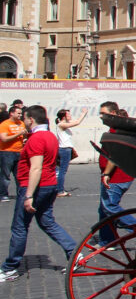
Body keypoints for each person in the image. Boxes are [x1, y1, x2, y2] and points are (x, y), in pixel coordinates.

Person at [0, 105, 77, 282]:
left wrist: (28, 195)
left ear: (31, 119)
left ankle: (10, 267)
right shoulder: (49, 135)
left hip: (36, 186)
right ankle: (73, 252)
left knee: (20, 226)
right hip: (50, 185)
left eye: (25, 119)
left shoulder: (36, 139)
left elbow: (35, 168)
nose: (23, 122)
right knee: (47, 222)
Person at [97, 101, 136, 246]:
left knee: (109, 206)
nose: (100, 116)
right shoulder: (114, 129)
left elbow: (114, 156)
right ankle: (108, 240)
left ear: (113, 113)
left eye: (103, 113)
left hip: (117, 177)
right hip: (114, 176)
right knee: (104, 209)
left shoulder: (117, 131)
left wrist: (106, 173)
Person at [54, 108, 87, 197]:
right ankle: (60, 190)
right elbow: (77, 122)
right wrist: (83, 113)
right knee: (62, 171)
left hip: (65, 149)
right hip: (64, 149)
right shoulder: (61, 124)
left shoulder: (63, 124)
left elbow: (74, 121)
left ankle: (59, 189)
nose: (70, 116)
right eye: (68, 114)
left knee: (61, 171)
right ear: (64, 116)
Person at [0, 105, 27, 203]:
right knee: (5, 175)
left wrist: (24, 139)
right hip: (6, 152)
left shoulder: (21, 123)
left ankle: (21, 194)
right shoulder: (5, 124)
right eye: (18, 113)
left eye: (21, 113)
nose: (20, 115)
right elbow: (4, 138)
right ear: (11, 113)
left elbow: (22, 136)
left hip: (19, 152)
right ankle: (3, 195)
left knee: (19, 175)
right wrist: (18, 134)